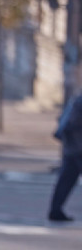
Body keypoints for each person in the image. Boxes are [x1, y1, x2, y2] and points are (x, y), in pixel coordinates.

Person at [49, 92, 82, 221]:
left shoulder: (77, 99)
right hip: (78, 147)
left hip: (72, 147)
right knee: (66, 181)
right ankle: (55, 211)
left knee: (65, 181)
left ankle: (55, 210)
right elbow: (73, 123)